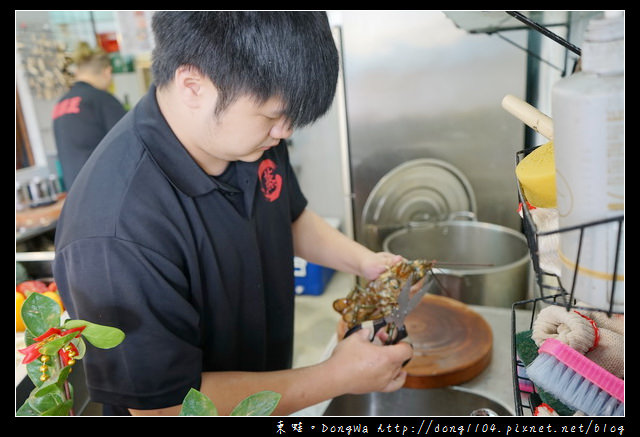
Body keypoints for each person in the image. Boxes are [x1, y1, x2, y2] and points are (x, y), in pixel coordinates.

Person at [53, 11, 412, 417]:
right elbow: (165, 409)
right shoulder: (113, 231)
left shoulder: (249, 137)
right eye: (275, 116)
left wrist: (365, 262)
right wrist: (336, 376)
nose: (285, 132)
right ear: (193, 86)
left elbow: (288, 217)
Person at [52, 41, 127, 190]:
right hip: (107, 192)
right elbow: (132, 144)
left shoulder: (61, 103)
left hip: (76, 196)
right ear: (107, 72)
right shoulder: (102, 99)